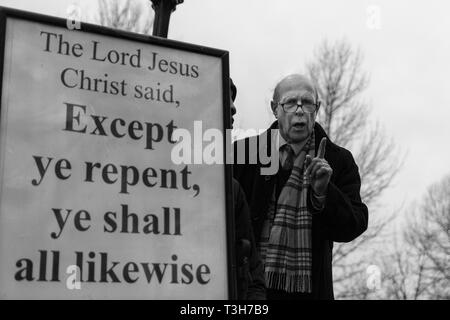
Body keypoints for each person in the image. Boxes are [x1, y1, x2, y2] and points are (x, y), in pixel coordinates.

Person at [233, 74, 368, 300]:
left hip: (310, 291)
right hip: (250, 290)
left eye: (307, 103)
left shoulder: (338, 160)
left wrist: (323, 193)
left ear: (317, 109)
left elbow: (354, 225)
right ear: (275, 109)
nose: (299, 110)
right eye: (290, 103)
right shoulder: (243, 154)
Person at [230, 78, 266, 300]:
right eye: (223, 94)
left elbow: (254, 278)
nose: (234, 107)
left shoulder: (232, 190)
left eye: (234, 99)